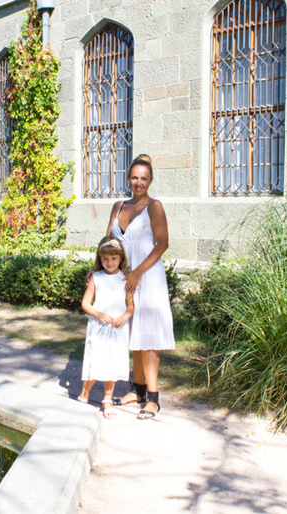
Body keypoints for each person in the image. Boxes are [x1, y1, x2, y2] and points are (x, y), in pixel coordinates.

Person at [106, 154, 175, 420]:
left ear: (150, 180)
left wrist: (138, 272)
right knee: (132, 335)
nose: (138, 182)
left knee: (148, 337)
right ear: (129, 178)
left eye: (143, 178)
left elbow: (162, 243)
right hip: (125, 279)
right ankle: (137, 390)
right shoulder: (118, 206)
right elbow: (108, 244)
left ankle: (153, 399)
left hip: (147, 277)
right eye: (134, 177)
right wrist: (97, 270)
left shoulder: (154, 206)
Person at [78, 236, 135, 419]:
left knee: (113, 360)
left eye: (114, 259)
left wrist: (125, 316)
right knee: (97, 358)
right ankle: (85, 393)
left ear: (121, 259)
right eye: (105, 259)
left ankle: (107, 399)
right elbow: (86, 303)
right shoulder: (96, 278)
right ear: (99, 259)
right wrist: (99, 314)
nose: (109, 263)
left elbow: (130, 305)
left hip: (117, 327)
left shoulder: (126, 279)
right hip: (99, 326)